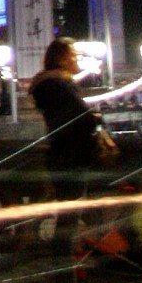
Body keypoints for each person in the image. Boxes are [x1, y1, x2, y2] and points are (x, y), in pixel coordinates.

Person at [30, 35, 114, 205]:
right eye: (73, 55)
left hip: (62, 156)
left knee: (72, 211)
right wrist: (95, 119)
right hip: (72, 158)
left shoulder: (48, 85)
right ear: (61, 59)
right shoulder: (58, 85)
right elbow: (82, 117)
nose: (76, 59)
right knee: (72, 212)